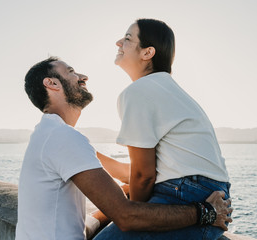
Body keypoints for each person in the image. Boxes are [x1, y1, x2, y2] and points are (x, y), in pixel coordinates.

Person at [16, 57, 233, 240]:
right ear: (52, 83)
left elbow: (120, 177)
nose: (83, 77)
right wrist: (205, 212)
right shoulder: (63, 137)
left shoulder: (48, 134)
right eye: (71, 72)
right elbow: (126, 217)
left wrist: (129, 191)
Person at [94, 19, 232, 240]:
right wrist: (90, 156)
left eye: (128, 38)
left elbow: (143, 176)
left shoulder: (139, 91)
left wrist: (134, 215)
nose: (118, 42)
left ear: (147, 52)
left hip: (187, 198)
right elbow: (143, 170)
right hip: (207, 193)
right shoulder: (168, 90)